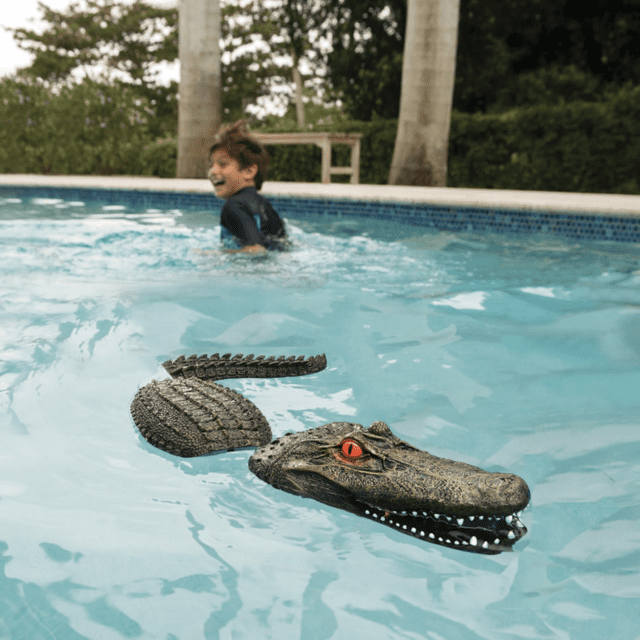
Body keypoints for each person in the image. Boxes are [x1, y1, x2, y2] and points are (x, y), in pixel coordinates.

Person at [208, 121, 287, 253]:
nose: (212, 171)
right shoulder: (265, 206)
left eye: (222, 165)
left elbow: (256, 250)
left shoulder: (233, 206)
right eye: (212, 165)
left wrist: (215, 255)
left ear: (249, 172)